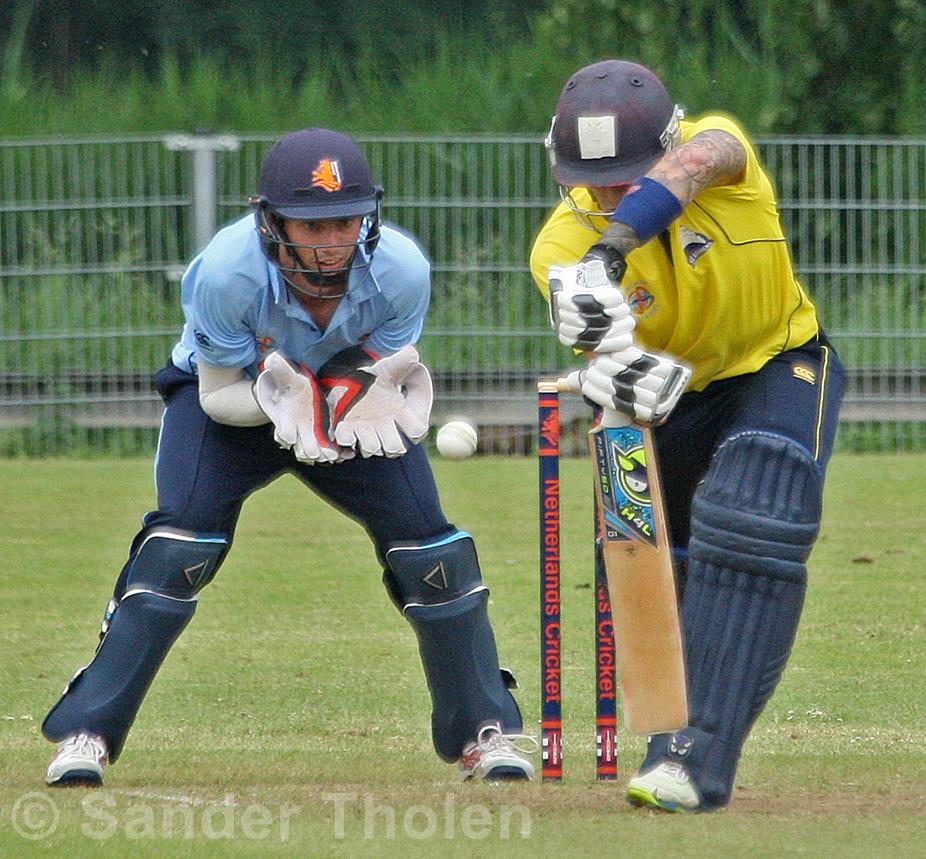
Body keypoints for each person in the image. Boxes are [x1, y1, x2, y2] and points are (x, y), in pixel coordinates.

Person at [42, 127, 535, 786]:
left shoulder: (402, 270)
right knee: (179, 546)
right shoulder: (227, 273)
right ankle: (88, 731)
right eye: (312, 225)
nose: (332, 242)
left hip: (342, 406)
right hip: (236, 406)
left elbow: (378, 363)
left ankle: (483, 729)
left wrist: (358, 395)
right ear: (272, 221)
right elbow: (216, 394)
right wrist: (283, 403)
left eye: (345, 221)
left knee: (431, 550)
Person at [531, 60, 845, 812]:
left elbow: (698, 163)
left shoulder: (718, 151)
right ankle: (668, 738)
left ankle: (692, 756)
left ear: (669, 142)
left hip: (778, 361)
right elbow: (610, 357)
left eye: (627, 179)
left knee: (754, 511)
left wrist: (613, 246)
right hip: (669, 398)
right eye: (595, 184)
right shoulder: (557, 249)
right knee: (646, 558)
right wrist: (615, 369)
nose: (610, 196)